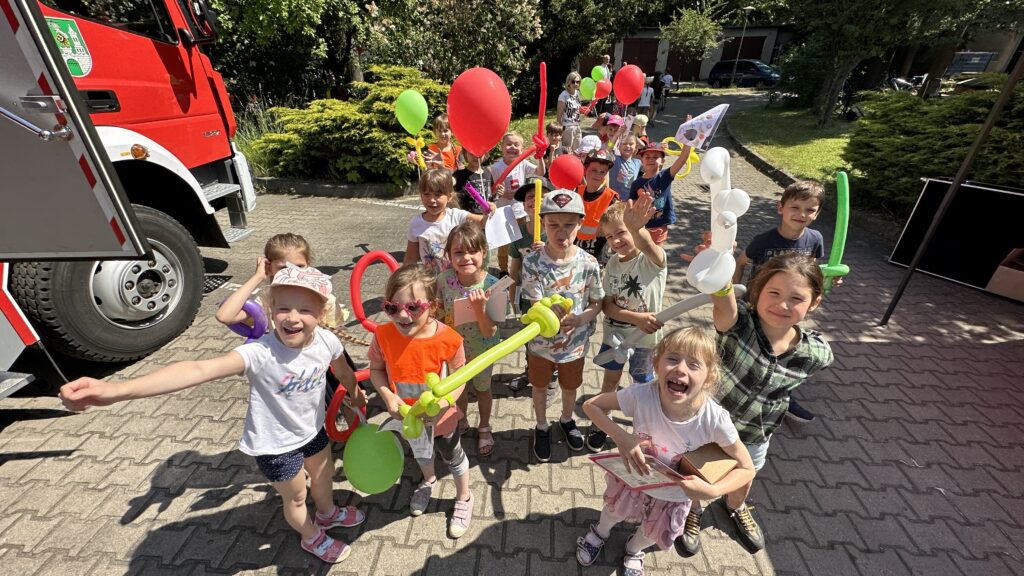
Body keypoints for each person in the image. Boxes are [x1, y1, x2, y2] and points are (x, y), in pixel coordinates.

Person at [60, 267, 368, 564]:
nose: (292, 317)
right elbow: (198, 369)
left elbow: (343, 373)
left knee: (324, 473)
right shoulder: (260, 353)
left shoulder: (328, 341)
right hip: (276, 445)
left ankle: (327, 513)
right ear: (271, 308)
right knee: (297, 497)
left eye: (305, 310)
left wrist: (355, 396)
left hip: (313, 431)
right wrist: (116, 390)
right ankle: (310, 535)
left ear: (322, 313)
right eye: (283, 307)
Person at [682, 253, 833, 556]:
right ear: (757, 291)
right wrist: (719, 262)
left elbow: (820, 361)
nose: (783, 304)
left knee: (746, 475)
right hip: (707, 428)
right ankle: (692, 509)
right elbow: (723, 299)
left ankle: (735, 507)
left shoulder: (815, 353)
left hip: (755, 433)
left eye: (797, 298)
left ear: (814, 302)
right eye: (774, 293)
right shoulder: (738, 325)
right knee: (696, 473)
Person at [578, 327, 756, 575]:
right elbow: (591, 405)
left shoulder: (715, 420)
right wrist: (622, 438)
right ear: (656, 364)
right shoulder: (641, 396)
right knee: (613, 510)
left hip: (675, 493)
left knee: (653, 529)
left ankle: (634, 549)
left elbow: (747, 467)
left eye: (694, 364)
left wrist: (712, 490)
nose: (680, 369)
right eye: (672, 358)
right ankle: (601, 531)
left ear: (709, 377)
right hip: (634, 477)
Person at [367, 264, 476, 538]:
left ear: (434, 305)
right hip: (406, 417)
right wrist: (388, 396)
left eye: (414, 307)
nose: (403, 316)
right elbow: (376, 370)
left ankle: (464, 497)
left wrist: (444, 403)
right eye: (392, 308)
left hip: (441, 418)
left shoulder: (449, 339)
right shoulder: (383, 335)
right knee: (420, 453)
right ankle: (428, 480)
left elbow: (461, 376)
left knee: (452, 454)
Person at [732, 179, 832, 423]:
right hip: (757, 304)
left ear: (817, 213)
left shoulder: (815, 239)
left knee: (782, 352)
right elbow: (740, 261)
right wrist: (736, 291)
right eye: (795, 207)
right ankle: (737, 390)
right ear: (781, 208)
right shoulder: (763, 241)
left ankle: (781, 395)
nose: (802, 214)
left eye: (810, 209)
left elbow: (813, 271)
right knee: (748, 349)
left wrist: (826, 282)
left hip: (789, 308)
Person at [521, 190, 604, 462]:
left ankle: (567, 420)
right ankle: (542, 425)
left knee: (570, 387)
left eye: (569, 224)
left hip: (574, 346)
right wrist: (547, 312)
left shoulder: (589, 263)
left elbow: (596, 302)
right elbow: (533, 303)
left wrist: (581, 318)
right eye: (553, 224)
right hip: (541, 346)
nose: (561, 232)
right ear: (542, 224)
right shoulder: (532, 262)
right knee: (540, 386)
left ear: (580, 224)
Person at [588, 193, 667, 452]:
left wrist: (637, 228)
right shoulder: (611, 263)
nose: (616, 241)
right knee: (610, 381)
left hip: (645, 342)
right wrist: (636, 318)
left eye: (621, 232)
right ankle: (603, 424)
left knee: (642, 384)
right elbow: (607, 306)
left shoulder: (653, 260)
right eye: (609, 236)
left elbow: (646, 244)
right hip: (615, 337)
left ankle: (644, 430)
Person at [436, 223, 501, 454]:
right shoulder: (443, 280)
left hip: (483, 350)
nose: (466, 258)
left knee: (483, 390)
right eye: (458, 252)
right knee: (459, 391)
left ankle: (484, 427)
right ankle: (461, 419)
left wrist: (479, 308)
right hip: (454, 352)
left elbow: (489, 332)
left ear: (484, 252)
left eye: (472, 251)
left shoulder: (494, 286)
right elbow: (439, 316)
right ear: (449, 255)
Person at [506, 177, 553, 395]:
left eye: (540, 197)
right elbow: (515, 266)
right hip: (527, 296)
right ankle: (531, 370)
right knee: (530, 336)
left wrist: (548, 249)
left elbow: (566, 259)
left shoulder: (554, 230)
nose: (535, 201)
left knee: (551, 336)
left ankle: (551, 373)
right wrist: (512, 293)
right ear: (524, 204)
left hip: (552, 296)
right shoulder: (518, 233)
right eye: (530, 198)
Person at [404, 168, 487, 273]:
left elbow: (483, 222)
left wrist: (488, 211)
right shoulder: (416, 223)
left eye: (438, 195)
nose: (432, 200)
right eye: (426, 194)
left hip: (458, 280)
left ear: (450, 196)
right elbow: (411, 258)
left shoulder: (456, 216)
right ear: (421, 195)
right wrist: (405, 279)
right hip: (432, 281)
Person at [490, 131, 541, 276]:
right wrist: (499, 192)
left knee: (520, 240)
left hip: (519, 211)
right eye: (508, 144)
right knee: (504, 244)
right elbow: (491, 191)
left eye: (516, 144)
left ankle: (520, 265)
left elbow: (540, 172)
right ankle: (504, 269)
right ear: (502, 147)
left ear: (522, 148)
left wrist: (540, 157)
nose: (512, 147)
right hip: (503, 212)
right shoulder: (496, 167)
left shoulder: (523, 163)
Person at [628, 141, 692, 245]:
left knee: (656, 256)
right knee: (640, 253)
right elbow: (631, 204)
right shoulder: (636, 183)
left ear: (662, 161)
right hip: (641, 226)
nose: (651, 160)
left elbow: (682, 159)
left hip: (659, 227)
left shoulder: (665, 176)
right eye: (647, 157)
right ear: (642, 160)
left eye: (655, 157)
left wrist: (688, 141)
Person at [574, 148, 620, 263]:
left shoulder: (612, 198)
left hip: (597, 258)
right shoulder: (576, 192)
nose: (598, 175)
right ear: (585, 170)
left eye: (602, 172)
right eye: (594, 170)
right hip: (575, 254)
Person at [453, 149, 495, 216]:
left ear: (485, 154)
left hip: (486, 217)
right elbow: (447, 184)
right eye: (471, 154)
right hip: (469, 217)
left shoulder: (488, 173)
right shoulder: (459, 174)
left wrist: (498, 193)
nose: (475, 157)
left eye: (480, 154)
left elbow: (491, 195)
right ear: (465, 154)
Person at [609, 134, 642, 201]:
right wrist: (618, 133)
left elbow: (651, 168)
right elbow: (608, 150)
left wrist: (661, 148)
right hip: (613, 200)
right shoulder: (615, 159)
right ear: (618, 146)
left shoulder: (638, 162)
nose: (627, 146)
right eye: (624, 143)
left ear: (636, 147)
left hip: (629, 201)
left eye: (631, 144)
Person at [557, 72, 583, 153]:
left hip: (577, 126)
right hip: (567, 127)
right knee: (566, 152)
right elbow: (559, 115)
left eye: (577, 82)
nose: (575, 84)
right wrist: (560, 131)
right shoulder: (563, 95)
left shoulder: (578, 94)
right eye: (573, 81)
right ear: (568, 82)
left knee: (578, 151)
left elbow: (578, 111)